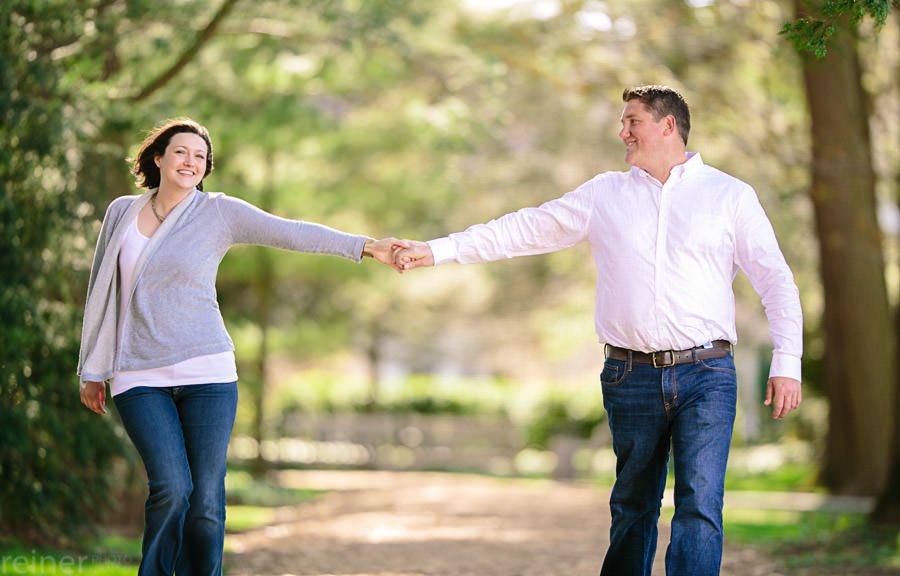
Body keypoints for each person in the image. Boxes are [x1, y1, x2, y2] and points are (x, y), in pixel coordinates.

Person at [394, 85, 802, 575]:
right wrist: (438, 250)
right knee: (633, 507)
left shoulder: (730, 196)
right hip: (630, 376)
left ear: (667, 125)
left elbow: (775, 280)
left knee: (700, 506)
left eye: (632, 121)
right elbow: (525, 228)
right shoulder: (605, 194)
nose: (622, 131)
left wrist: (787, 362)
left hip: (707, 373)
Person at [77, 117, 405, 576]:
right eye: (181, 152)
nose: (190, 162)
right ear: (158, 157)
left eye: (200, 156)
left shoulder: (218, 212)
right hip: (138, 372)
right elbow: (101, 290)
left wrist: (366, 246)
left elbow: (292, 232)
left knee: (206, 501)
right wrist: (91, 368)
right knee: (170, 487)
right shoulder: (122, 212)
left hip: (208, 372)